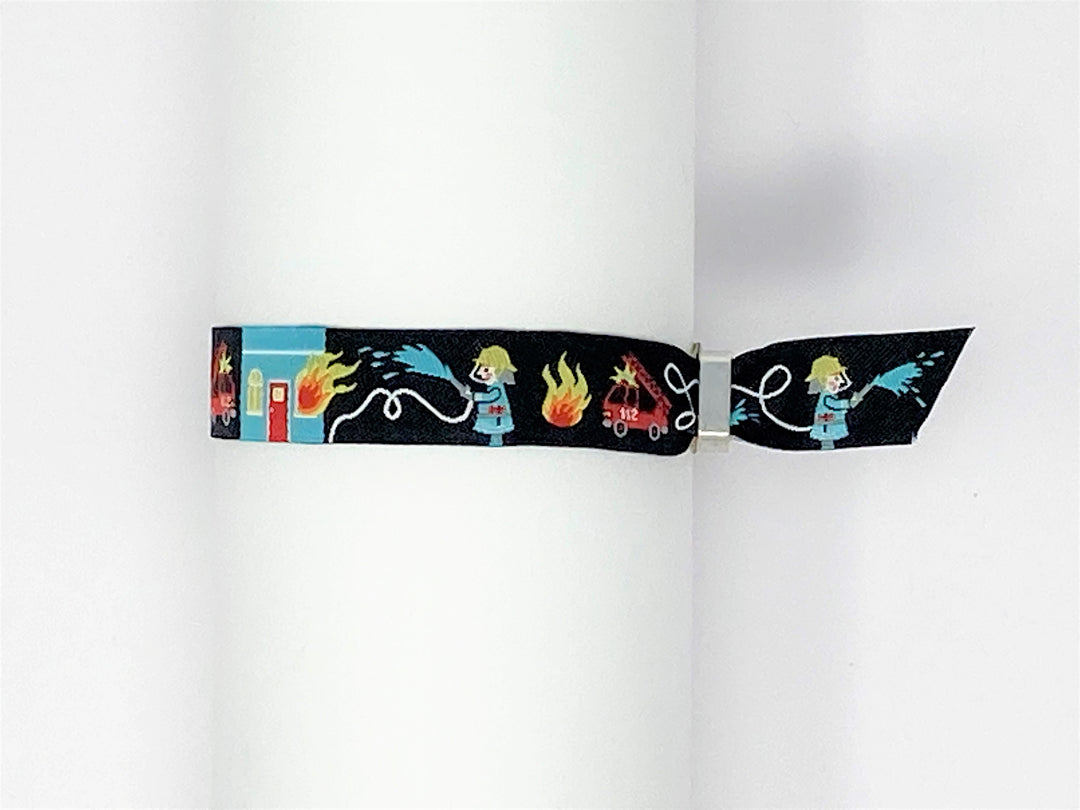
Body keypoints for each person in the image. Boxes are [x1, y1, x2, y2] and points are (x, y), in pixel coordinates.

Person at [805, 355, 864, 450]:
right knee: (827, 443)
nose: (840, 381)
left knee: (829, 443)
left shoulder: (829, 395)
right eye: (836, 378)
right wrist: (849, 403)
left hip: (828, 426)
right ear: (823, 379)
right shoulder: (826, 396)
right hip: (826, 427)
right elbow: (834, 404)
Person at [462, 345, 516, 446]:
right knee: (493, 437)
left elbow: (491, 396)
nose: (480, 373)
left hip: (496, 419)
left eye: (485, 369)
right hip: (493, 417)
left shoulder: (497, 387)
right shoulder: (493, 385)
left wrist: (474, 396)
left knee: (495, 436)